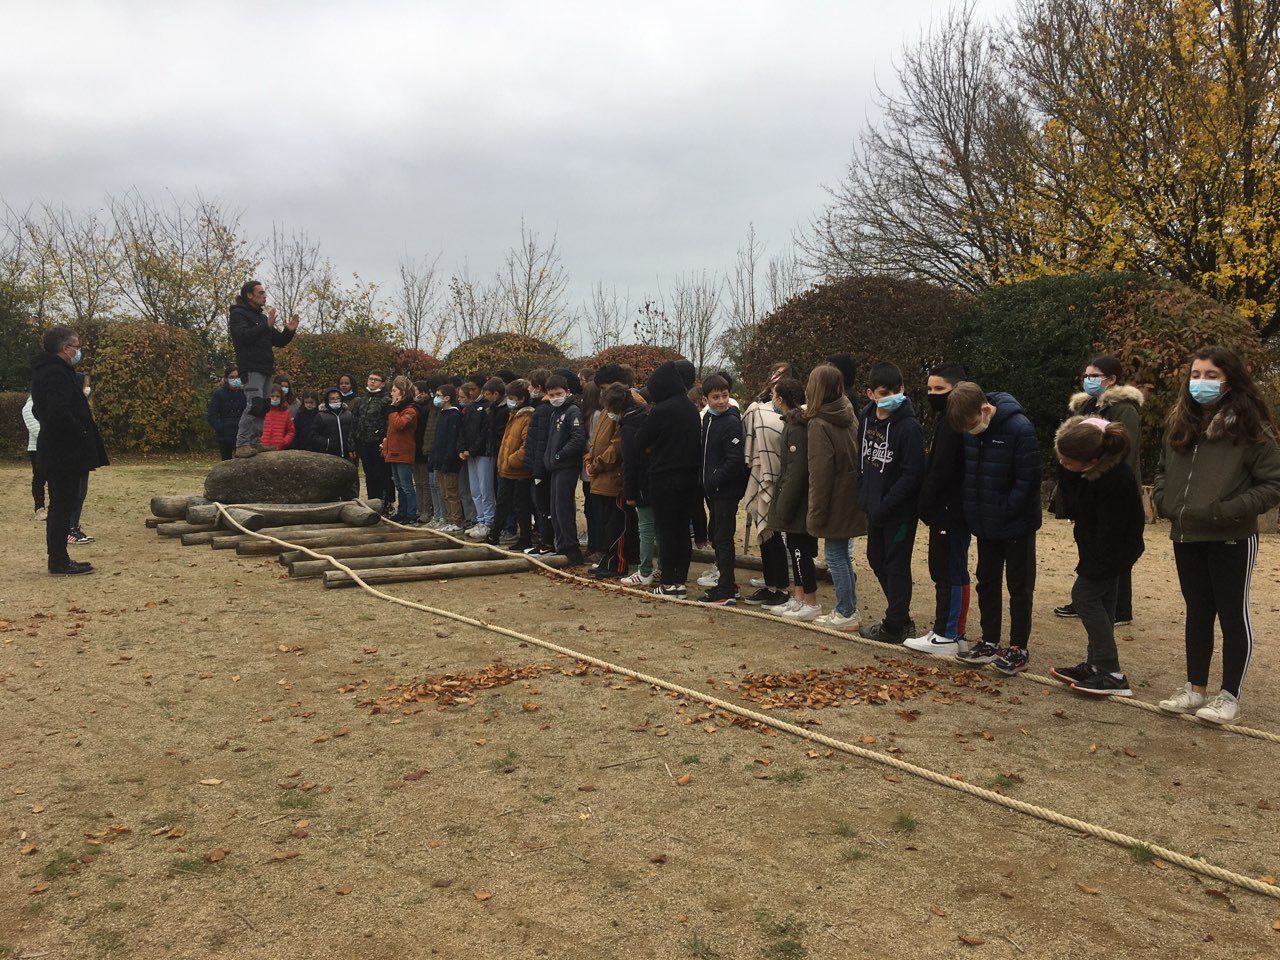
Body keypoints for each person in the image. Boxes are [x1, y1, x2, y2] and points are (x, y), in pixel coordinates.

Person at [1153, 346, 1280, 724]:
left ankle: (1229, 696)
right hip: (1185, 533)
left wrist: (1227, 510)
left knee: (1231, 613)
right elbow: (1161, 469)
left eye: (1211, 375)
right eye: (1196, 374)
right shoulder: (1180, 420)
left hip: (1231, 536)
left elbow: (1272, 483)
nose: (1201, 382)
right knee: (1197, 612)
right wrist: (1164, 500)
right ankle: (1195, 689)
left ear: (1230, 378)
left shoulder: (1250, 426)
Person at [949, 382, 1042, 675]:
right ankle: (989, 639)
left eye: (974, 424)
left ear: (985, 410)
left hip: (1017, 523)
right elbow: (970, 474)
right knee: (986, 581)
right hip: (984, 521)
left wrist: (1004, 510)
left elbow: (1028, 480)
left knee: (1019, 585)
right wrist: (974, 510)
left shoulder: (1020, 428)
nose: (972, 431)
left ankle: (1018, 646)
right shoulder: (970, 435)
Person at [1049, 417, 1145, 696]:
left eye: (1068, 462)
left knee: (1084, 597)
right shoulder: (1088, 474)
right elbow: (1075, 505)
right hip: (1096, 546)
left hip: (1112, 550)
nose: (1062, 465)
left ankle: (1110, 671)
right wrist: (1067, 471)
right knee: (1103, 602)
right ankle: (1094, 665)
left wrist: (1095, 565)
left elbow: (1115, 530)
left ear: (1091, 460)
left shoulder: (1115, 479)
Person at [1053, 355, 1144, 625]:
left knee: (1115, 546)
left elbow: (1124, 449)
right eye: (1086, 375)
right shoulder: (1087, 405)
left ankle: (1119, 608)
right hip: (1085, 485)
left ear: (1112, 378)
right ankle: (1087, 597)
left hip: (1110, 487)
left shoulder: (1124, 409)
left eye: (1094, 375)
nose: (1088, 380)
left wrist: (1102, 477)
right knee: (1089, 542)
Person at [906, 362, 972, 657]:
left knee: (947, 570)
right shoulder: (947, 420)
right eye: (930, 388)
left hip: (949, 509)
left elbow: (943, 469)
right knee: (952, 568)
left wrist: (926, 503)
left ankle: (948, 633)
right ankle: (952, 630)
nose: (933, 394)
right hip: (950, 508)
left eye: (940, 389)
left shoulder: (954, 423)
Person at [856, 362, 926, 643]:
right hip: (873, 507)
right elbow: (861, 456)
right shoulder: (867, 417)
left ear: (903, 389)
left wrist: (888, 503)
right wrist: (863, 492)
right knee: (876, 558)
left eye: (895, 391)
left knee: (897, 565)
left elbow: (913, 474)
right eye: (883, 392)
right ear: (871, 393)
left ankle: (895, 623)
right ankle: (901, 614)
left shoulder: (909, 427)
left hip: (898, 512)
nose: (889, 397)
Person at [29, 326, 107, 575]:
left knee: (63, 504)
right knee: (62, 505)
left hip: (59, 448)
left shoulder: (51, 371)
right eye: (77, 345)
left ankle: (60, 557)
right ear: (65, 348)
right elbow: (57, 411)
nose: (78, 350)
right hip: (63, 450)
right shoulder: (54, 373)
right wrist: (80, 432)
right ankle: (59, 560)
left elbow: (39, 410)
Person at [805, 363, 866, 630]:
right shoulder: (849, 413)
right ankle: (847, 607)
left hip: (835, 499)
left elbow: (820, 473)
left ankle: (845, 610)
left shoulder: (819, 424)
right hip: (853, 494)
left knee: (835, 555)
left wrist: (815, 513)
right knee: (841, 553)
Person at [635, 360, 702, 597]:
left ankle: (669, 582)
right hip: (689, 477)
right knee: (682, 530)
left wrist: (653, 450)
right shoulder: (691, 409)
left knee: (665, 531)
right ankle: (680, 581)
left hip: (663, 478)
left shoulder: (661, 410)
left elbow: (639, 441)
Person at [766, 377, 822, 620]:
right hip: (794, 499)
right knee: (794, 546)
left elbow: (796, 471)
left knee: (800, 550)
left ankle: (810, 600)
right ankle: (798, 597)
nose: (772, 399)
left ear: (782, 399)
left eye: (774, 395)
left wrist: (783, 506)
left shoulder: (797, 427)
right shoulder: (791, 422)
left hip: (798, 502)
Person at [228, 280, 298, 457]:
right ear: (249, 295)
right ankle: (242, 443)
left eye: (264, 292)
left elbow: (279, 341)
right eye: (260, 293)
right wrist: (265, 326)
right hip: (250, 367)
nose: (264, 296)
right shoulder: (239, 315)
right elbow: (243, 337)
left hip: (266, 368)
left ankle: (255, 442)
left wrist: (289, 331)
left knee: (264, 406)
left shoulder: (261, 318)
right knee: (254, 404)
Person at [742, 363, 792, 607]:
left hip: (779, 479)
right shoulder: (757, 408)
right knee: (765, 536)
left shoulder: (796, 413)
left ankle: (781, 588)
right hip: (761, 473)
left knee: (775, 536)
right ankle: (770, 584)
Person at [697, 373, 747, 604]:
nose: (721, 401)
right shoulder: (708, 419)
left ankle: (726, 588)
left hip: (725, 491)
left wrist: (714, 478)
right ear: (705, 398)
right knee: (716, 535)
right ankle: (726, 582)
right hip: (712, 491)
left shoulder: (731, 422)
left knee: (724, 538)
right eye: (715, 397)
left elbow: (734, 460)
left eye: (724, 396)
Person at [524, 368, 570, 556]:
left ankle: (548, 542)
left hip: (542, 466)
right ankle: (547, 541)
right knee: (542, 505)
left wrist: (537, 468)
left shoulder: (545, 410)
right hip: (542, 464)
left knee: (543, 505)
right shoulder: (544, 408)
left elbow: (541, 442)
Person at [544, 374, 587, 565]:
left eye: (558, 393)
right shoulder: (554, 413)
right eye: (551, 394)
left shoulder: (572, 411)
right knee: (554, 507)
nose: (555, 397)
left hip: (567, 465)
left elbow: (578, 438)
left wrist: (560, 454)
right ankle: (561, 544)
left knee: (564, 507)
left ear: (567, 391)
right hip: (555, 466)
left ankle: (572, 548)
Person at [489, 379, 535, 551]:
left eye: (512, 397)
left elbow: (526, 445)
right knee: (502, 502)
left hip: (519, 470)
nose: (509, 400)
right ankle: (494, 535)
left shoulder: (527, 417)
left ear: (521, 398)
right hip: (508, 470)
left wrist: (511, 460)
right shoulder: (514, 415)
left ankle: (525, 538)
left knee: (521, 505)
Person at [619, 381, 657, 587]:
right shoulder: (648, 418)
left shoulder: (628, 427)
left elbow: (630, 462)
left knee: (646, 529)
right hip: (655, 480)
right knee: (657, 528)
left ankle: (645, 571)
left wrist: (630, 492)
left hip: (642, 484)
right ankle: (659, 569)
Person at [461, 378, 500, 540]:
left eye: (474, 388)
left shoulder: (487, 408)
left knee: (486, 490)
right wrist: (463, 449)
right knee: (475, 490)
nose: (471, 392)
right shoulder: (471, 408)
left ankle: (489, 521)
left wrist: (473, 449)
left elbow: (485, 432)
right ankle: (480, 519)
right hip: (470, 454)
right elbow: (463, 430)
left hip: (483, 453)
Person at [351, 371, 394, 510]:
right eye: (370, 379)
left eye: (376, 379)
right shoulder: (361, 400)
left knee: (382, 475)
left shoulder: (386, 400)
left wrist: (383, 439)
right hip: (364, 442)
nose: (372, 382)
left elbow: (388, 423)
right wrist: (353, 442)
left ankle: (386, 504)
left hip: (378, 443)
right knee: (369, 475)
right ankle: (372, 503)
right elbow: (355, 421)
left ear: (382, 383)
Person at [382, 376, 420, 524]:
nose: (391, 393)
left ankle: (411, 513)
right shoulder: (398, 410)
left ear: (402, 393)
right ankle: (402, 511)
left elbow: (399, 425)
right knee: (399, 485)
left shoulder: (410, 410)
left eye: (394, 390)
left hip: (403, 452)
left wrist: (392, 409)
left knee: (407, 486)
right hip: (393, 452)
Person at [429, 383, 465, 532]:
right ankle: (449, 519)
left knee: (451, 493)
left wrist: (447, 460)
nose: (436, 399)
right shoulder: (442, 414)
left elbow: (451, 441)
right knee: (444, 493)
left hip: (449, 462)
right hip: (439, 460)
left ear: (447, 398)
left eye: (438, 396)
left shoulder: (454, 415)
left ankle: (456, 522)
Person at [206, 366, 247, 461]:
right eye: (232, 377)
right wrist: (220, 428)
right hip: (225, 435)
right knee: (226, 464)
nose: (235, 379)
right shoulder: (219, 394)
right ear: (226, 379)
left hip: (241, 435)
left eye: (237, 377)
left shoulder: (245, 394)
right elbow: (212, 415)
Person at [411, 380, 434, 526]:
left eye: (416, 391)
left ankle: (426, 510)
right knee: (417, 482)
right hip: (414, 448)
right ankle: (419, 509)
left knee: (425, 483)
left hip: (424, 448)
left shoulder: (427, 408)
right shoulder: (414, 407)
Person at [22, 394, 48, 521]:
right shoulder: (29, 406)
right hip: (37, 448)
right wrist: (52, 436)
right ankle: (39, 508)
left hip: (52, 448)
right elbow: (34, 427)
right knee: (39, 477)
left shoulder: (48, 403)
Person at [314, 388, 356, 461]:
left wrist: (352, 447)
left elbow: (353, 432)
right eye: (332, 399)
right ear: (327, 400)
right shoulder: (321, 416)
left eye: (338, 398)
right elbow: (314, 434)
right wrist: (326, 443)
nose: (336, 401)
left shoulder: (348, 414)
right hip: (329, 454)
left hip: (347, 454)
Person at [259, 385, 296, 451]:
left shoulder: (286, 412)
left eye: (277, 396)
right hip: (262, 447)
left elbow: (291, 431)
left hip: (278, 449)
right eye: (272, 396)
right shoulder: (262, 411)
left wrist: (284, 442)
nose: (275, 399)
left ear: (281, 397)